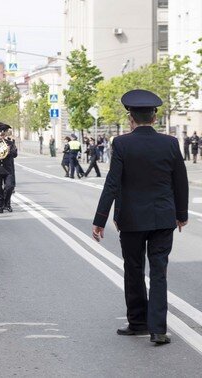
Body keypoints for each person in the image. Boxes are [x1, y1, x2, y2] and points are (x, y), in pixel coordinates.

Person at [92, 89, 188, 345]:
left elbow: (112, 183)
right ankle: (158, 329)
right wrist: (181, 214)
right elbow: (180, 181)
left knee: (133, 270)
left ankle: (137, 323)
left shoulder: (121, 144)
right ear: (155, 118)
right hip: (162, 219)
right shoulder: (170, 143)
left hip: (131, 220)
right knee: (159, 272)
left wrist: (100, 219)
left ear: (130, 118)